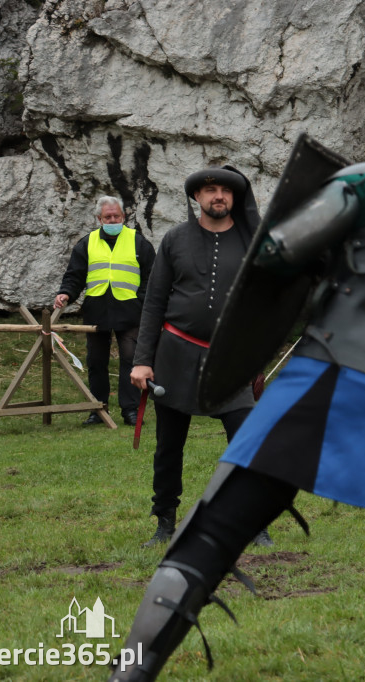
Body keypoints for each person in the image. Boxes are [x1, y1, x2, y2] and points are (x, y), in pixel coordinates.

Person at [109, 69, 365, 682]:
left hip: (329, 381)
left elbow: (275, 252)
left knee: (212, 533)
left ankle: (132, 672)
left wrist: (333, 256)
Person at [130, 166, 272, 548]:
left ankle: (254, 523)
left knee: (245, 442)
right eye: (210, 190)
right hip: (175, 356)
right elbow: (154, 302)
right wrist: (142, 359)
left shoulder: (252, 242)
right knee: (169, 447)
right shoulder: (175, 239)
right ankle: (164, 524)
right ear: (197, 197)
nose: (219, 196)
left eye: (226, 190)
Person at [54, 196, 155, 426]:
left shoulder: (139, 242)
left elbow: (152, 277)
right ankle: (97, 410)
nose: (112, 220)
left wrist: (142, 301)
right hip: (97, 310)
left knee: (131, 361)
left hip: (130, 311)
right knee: (96, 362)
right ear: (99, 218)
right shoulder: (86, 243)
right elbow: (75, 275)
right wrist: (65, 294)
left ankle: (130, 411)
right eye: (108, 217)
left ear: (124, 217)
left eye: (116, 216)